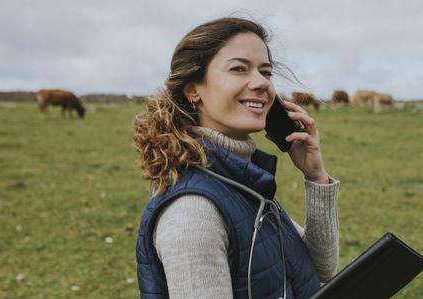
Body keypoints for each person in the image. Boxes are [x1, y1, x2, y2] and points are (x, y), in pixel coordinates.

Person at [133, 17, 339, 298]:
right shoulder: (193, 212)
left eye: (266, 72)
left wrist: (315, 176)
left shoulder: (240, 178)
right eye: (239, 69)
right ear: (193, 89)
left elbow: (320, 267)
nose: (261, 83)